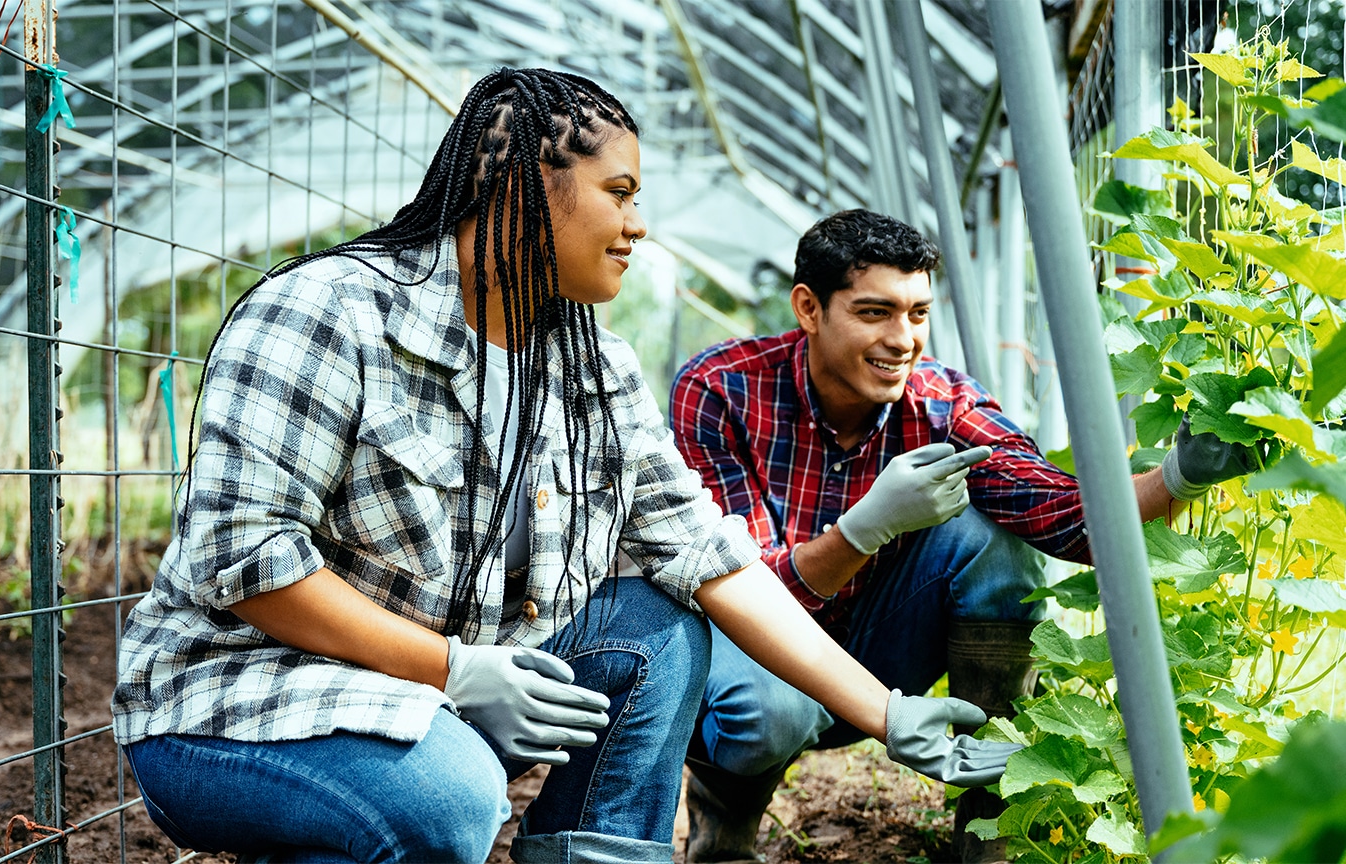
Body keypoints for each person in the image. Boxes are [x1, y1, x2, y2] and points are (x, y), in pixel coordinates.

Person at [111, 72, 1021, 864]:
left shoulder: (589, 365)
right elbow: (247, 560)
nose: (638, 224)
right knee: (451, 800)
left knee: (657, 628)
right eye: (618, 192)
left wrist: (886, 712)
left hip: (438, 690)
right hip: (239, 705)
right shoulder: (328, 312)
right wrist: (453, 669)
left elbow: (710, 557)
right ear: (519, 186)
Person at [669, 209, 1256, 863]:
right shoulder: (719, 390)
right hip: (758, 666)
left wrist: (1176, 478)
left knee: (992, 540)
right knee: (766, 715)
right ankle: (723, 834)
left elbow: (1058, 510)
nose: (903, 339)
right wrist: (863, 530)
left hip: (881, 658)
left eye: (918, 313)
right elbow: (740, 585)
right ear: (809, 308)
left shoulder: (942, 405)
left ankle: (992, 829)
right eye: (875, 313)